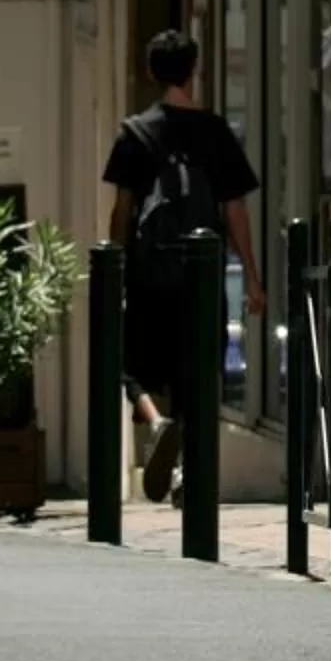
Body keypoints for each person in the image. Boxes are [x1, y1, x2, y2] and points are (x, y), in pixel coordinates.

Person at [103, 28, 265, 501]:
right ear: (194, 71)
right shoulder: (215, 132)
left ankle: (156, 422)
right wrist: (251, 278)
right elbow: (235, 209)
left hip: (151, 273)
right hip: (203, 273)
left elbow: (122, 209)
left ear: (151, 72)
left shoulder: (135, 133)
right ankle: (187, 475)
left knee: (128, 365)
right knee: (197, 375)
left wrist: (117, 267)